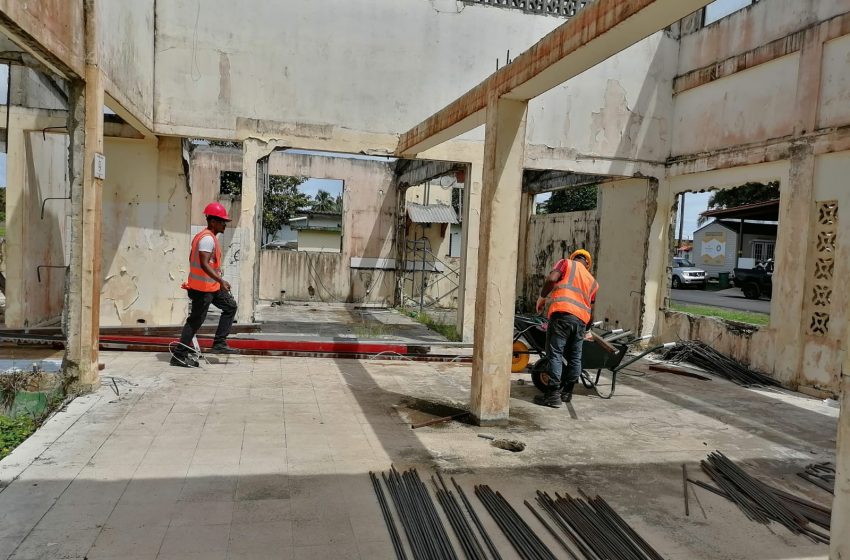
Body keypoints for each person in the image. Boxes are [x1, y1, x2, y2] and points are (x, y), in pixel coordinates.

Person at [171, 202, 238, 367]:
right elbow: (204, 263)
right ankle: (179, 355)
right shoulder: (207, 238)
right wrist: (221, 280)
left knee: (230, 306)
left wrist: (218, 282)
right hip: (202, 289)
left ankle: (219, 343)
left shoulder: (209, 237)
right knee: (195, 321)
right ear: (213, 222)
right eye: (222, 221)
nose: (224, 224)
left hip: (211, 287)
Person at [533, 249, 598, 408]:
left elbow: (551, 279)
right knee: (575, 356)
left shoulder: (566, 263)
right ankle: (567, 393)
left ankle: (553, 395)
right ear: (587, 264)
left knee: (555, 353)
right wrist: (586, 329)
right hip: (581, 321)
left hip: (562, 315)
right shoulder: (593, 281)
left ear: (574, 257)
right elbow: (591, 307)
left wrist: (542, 298)